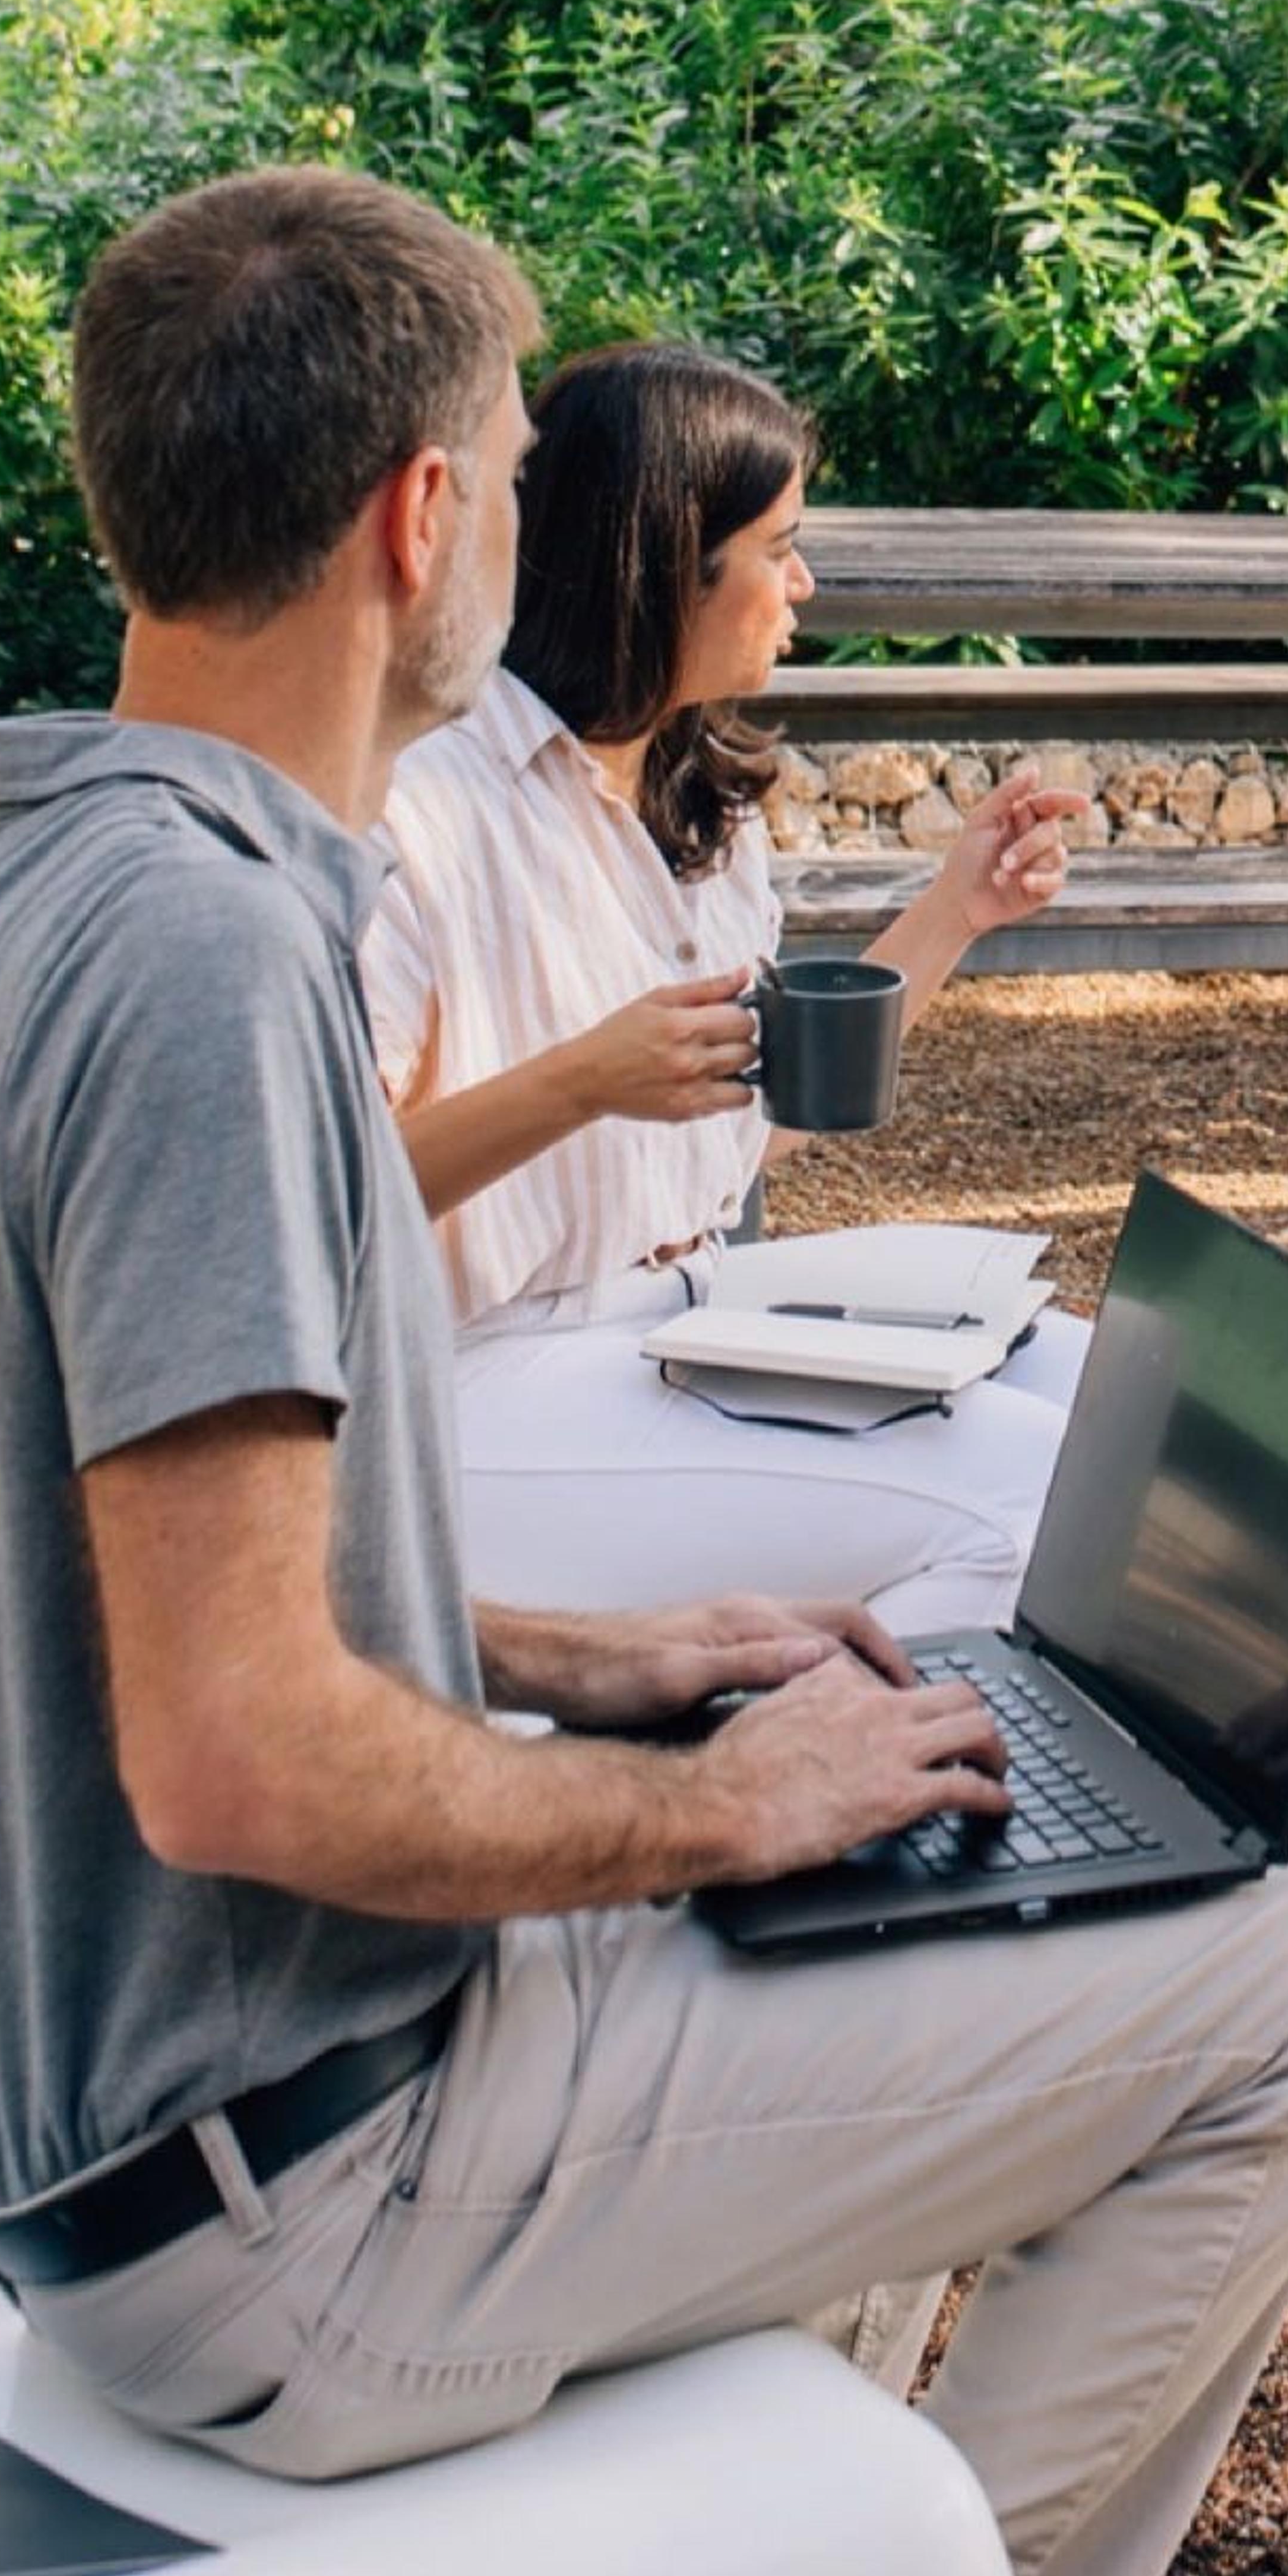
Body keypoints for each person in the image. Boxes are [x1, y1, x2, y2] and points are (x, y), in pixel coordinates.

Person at [0, 167, 1288, 2576]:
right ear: (426, 522)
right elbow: (232, 1752)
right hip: (301, 2198)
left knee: (942, 1892)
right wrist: (715, 1810)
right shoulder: (205, 973)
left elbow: (165, 1602)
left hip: (151, 2134)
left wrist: (612, 1659)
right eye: (495, 471)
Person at [363, 338, 1084, 1635]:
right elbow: (310, 1205)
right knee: (1037, 1504)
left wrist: (954, 908)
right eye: (777, 544)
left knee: (1121, 1419)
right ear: (660, 562)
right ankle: (757, 1792)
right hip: (464, 1395)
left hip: (690, 1322)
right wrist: (579, 1083)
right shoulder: (417, 811)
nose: (804, 582)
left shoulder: (698, 791)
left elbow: (758, 1114)